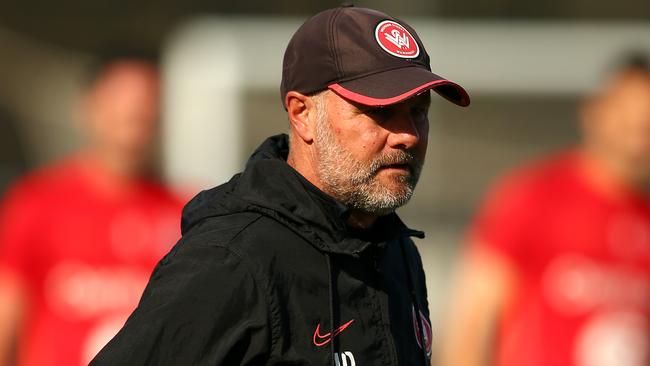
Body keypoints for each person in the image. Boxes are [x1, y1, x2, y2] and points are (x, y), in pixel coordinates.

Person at [91, 5, 470, 366]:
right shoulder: (233, 259)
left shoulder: (396, 250)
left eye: (418, 111)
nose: (407, 135)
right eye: (380, 111)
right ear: (302, 114)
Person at [439, 54, 650, 366]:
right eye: (627, 118)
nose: (636, 136)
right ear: (593, 113)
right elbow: (471, 328)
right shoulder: (534, 198)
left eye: (645, 123)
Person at [0, 52, 185, 366]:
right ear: (89, 106)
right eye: (121, 103)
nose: (133, 115)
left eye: (144, 106)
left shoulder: (187, 212)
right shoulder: (36, 203)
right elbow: (7, 316)